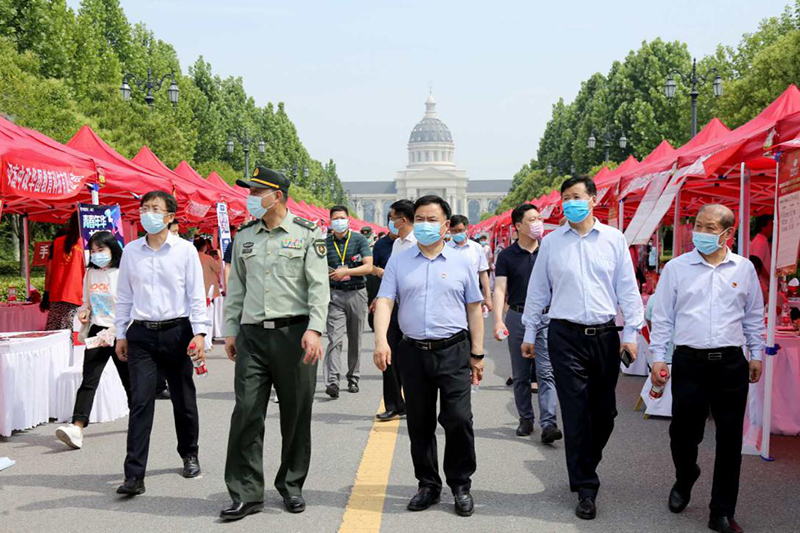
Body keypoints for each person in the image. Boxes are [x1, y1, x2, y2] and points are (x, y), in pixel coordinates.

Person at [520, 176, 644, 520]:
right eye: (565, 197)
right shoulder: (552, 243)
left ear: (592, 200)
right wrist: (530, 332)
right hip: (564, 336)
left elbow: (627, 288)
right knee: (574, 411)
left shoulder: (613, 240)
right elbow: (539, 290)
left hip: (604, 336)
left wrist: (632, 332)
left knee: (604, 414)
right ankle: (586, 486)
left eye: (576, 196)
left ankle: (585, 461)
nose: (570, 202)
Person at [221, 167, 329, 521]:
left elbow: (318, 287)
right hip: (253, 335)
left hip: (295, 335)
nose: (250, 197)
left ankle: (291, 485)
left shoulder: (307, 234)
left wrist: (315, 329)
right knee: (247, 411)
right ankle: (246, 492)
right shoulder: (244, 236)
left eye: (256, 191)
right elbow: (235, 285)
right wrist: (231, 329)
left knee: (296, 414)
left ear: (277, 196)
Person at [650, 204, 765, 533]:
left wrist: (755, 354)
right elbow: (663, 317)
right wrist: (659, 357)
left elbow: (754, 315)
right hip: (690, 362)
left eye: (710, 227)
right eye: (698, 225)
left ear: (728, 234)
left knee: (730, 441)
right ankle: (686, 477)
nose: (700, 232)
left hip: (731, 364)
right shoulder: (677, 268)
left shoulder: (743, 270)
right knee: (684, 435)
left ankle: (722, 512)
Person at [373, 195, 485, 517]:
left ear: (446, 225)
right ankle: (428, 484)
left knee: (459, 419)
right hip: (412, 352)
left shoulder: (464, 261)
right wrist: (381, 340)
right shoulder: (400, 260)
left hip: (453, 350)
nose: (424, 225)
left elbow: (474, 309)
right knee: (419, 422)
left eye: (431, 219)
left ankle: (461, 484)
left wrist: (477, 354)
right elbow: (385, 302)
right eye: (419, 219)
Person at [114, 191, 209, 496]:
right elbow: (125, 296)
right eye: (144, 208)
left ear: (170, 216)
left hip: (178, 333)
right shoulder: (130, 251)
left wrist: (200, 333)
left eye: (155, 209)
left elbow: (196, 295)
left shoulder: (184, 251)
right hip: (141, 335)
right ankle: (134, 475)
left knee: (183, 400)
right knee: (141, 402)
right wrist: (121, 333)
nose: (148, 214)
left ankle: (189, 454)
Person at [55, 231, 131, 450]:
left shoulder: (124, 273)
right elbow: (86, 302)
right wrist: (84, 312)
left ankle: (139, 420)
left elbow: (132, 306)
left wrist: (118, 331)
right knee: (89, 380)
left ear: (112, 250)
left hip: (121, 332)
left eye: (101, 250)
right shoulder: (90, 273)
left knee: (129, 381)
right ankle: (76, 427)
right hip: (97, 331)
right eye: (94, 250)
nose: (97, 254)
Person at [493, 204, 561, 442]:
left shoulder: (550, 250)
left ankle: (549, 423)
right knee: (521, 374)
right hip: (518, 316)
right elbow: (500, 289)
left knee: (546, 372)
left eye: (539, 218)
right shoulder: (507, 256)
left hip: (547, 317)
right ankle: (526, 419)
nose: (537, 223)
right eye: (531, 220)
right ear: (518, 226)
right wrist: (499, 320)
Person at [322, 206, 373, 398]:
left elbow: (368, 266)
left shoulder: (359, 240)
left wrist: (347, 272)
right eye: (335, 218)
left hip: (357, 293)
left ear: (348, 220)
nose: (339, 221)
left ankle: (353, 377)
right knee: (334, 338)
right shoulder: (324, 243)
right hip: (334, 294)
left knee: (355, 338)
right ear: (330, 221)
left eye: (342, 218)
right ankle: (333, 381)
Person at [371, 200, 415, 422]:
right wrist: (379, 299)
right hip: (393, 306)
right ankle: (394, 404)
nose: (390, 222)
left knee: (411, 358)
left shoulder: (418, 243)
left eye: (392, 217)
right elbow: (390, 276)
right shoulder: (397, 245)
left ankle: (416, 402)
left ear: (403, 219)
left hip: (414, 307)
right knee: (387, 354)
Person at [42, 212, 85, 332]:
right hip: (76, 293)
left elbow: (49, 269)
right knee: (69, 332)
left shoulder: (57, 242)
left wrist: (46, 292)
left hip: (56, 292)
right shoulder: (85, 243)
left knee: (53, 331)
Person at [448, 215, 492, 311]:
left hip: (473, 297)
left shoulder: (476, 248)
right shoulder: (445, 249)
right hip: (450, 298)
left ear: (466, 228)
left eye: (460, 230)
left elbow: (483, 273)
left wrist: (487, 297)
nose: (457, 233)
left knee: (475, 325)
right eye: (453, 231)